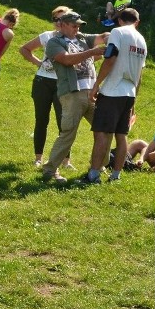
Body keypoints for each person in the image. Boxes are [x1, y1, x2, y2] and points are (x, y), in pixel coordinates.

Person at [40, 12, 107, 183]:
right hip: (72, 94)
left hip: (92, 93)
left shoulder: (83, 38)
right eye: (73, 25)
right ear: (62, 24)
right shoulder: (54, 42)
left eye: (79, 25)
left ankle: (98, 166)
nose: (77, 28)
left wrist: (119, 33)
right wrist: (92, 52)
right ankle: (50, 169)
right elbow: (66, 60)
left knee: (104, 130)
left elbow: (103, 36)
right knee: (68, 133)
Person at [86, 8, 147, 183]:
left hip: (113, 90)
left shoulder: (117, 32)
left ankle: (94, 174)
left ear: (119, 20)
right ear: (137, 22)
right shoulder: (142, 40)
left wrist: (97, 84)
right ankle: (116, 175)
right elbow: (140, 75)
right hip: (129, 92)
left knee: (102, 134)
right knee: (121, 135)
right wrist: (135, 97)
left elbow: (110, 58)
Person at [19, 6, 72, 167]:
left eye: (62, 19)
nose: (58, 22)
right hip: (43, 81)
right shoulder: (47, 36)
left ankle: (65, 160)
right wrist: (39, 63)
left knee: (64, 122)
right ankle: (38, 158)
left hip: (62, 83)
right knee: (41, 120)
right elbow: (24, 49)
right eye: (56, 19)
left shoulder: (75, 38)